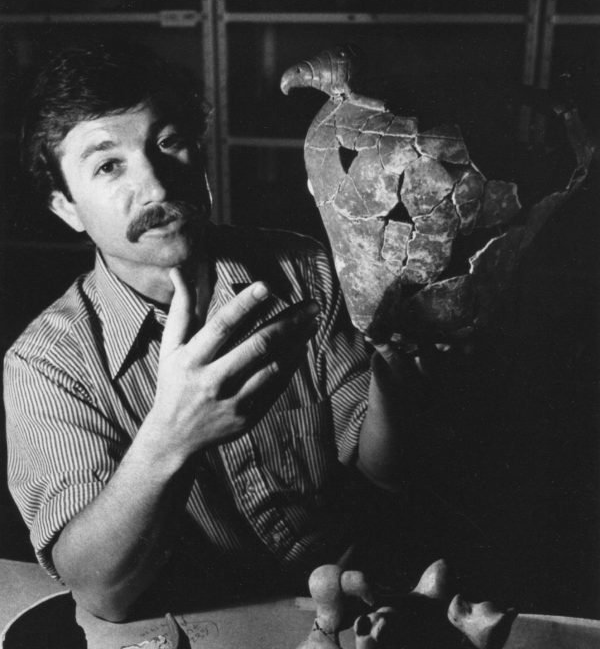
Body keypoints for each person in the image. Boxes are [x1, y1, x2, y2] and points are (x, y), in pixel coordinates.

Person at [3, 42, 433, 622]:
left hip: (344, 601)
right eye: (108, 165)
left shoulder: (306, 269)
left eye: (168, 142)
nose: (156, 186)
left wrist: (397, 363)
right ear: (67, 207)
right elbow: (101, 592)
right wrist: (171, 437)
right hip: (195, 627)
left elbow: (386, 472)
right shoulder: (45, 363)